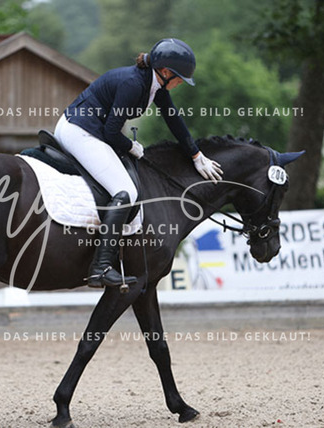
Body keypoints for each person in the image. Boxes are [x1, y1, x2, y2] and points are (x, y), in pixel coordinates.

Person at [54, 38, 223, 288]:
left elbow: (173, 119)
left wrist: (197, 156)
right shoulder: (133, 84)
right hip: (80, 132)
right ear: (165, 72)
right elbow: (112, 132)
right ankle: (101, 267)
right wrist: (131, 146)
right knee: (126, 191)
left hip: (90, 130)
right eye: (179, 79)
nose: (180, 84)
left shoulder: (154, 85)